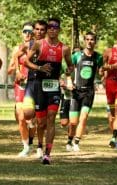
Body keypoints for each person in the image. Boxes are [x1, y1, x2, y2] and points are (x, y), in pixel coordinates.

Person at [23, 18, 74, 164]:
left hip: (53, 86)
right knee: (41, 122)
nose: (52, 29)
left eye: (55, 27)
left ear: (59, 29)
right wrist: (39, 68)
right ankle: (39, 144)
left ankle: (47, 153)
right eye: (50, 27)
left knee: (51, 117)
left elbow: (70, 65)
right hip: (39, 85)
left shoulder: (64, 48)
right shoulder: (39, 44)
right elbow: (26, 61)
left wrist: (67, 72)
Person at [16, 19, 48, 158]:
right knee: (25, 114)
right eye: (28, 31)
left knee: (41, 120)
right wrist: (17, 70)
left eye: (41, 30)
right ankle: (27, 145)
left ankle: (40, 146)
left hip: (43, 84)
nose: (32, 33)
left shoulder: (48, 45)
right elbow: (18, 59)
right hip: (29, 83)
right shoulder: (25, 46)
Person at [69, 31, 103, 152]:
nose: (89, 42)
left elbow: (101, 72)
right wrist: (68, 80)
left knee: (83, 118)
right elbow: (67, 69)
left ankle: (76, 142)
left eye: (92, 39)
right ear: (84, 41)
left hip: (89, 92)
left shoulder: (98, 57)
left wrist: (101, 76)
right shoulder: (77, 55)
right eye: (87, 39)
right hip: (76, 91)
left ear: (95, 41)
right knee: (73, 122)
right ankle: (69, 140)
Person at [7, 22, 37, 157]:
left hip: (34, 86)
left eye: (30, 32)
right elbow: (9, 69)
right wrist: (15, 71)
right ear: (22, 32)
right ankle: (25, 146)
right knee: (21, 117)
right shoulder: (16, 49)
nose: (28, 34)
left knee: (32, 119)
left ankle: (31, 142)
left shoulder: (37, 47)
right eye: (25, 31)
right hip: (20, 86)